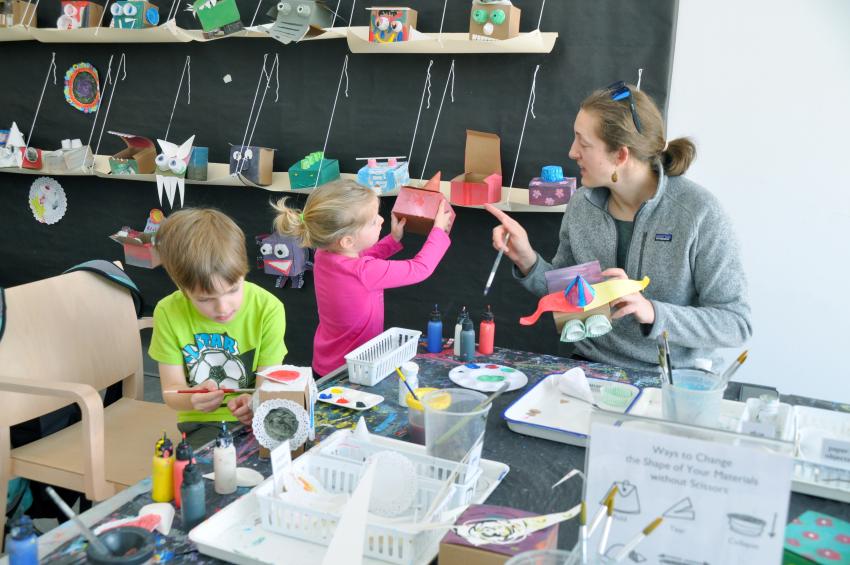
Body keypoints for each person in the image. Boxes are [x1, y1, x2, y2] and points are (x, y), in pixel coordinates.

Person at [486, 82, 751, 371]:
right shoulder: (582, 205)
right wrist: (528, 260)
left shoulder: (698, 214)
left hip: (670, 376)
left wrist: (652, 311)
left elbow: (735, 323)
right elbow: (569, 295)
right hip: (589, 365)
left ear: (620, 155)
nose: (572, 152)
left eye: (583, 143)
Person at [273, 179, 452, 377]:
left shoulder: (324, 254)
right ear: (347, 240)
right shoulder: (363, 272)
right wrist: (438, 231)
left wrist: (392, 240)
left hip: (326, 364)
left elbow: (359, 258)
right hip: (354, 371)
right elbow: (420, 268)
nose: (382, 220)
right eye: (374, 220)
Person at [149, 208, 287, 446]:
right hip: (203, 424)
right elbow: (171, 392)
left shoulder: (268, 308)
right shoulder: (168, 312)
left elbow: (269, 383)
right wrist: (192, 400)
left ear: (244, 272)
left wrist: (254, 403)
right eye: (205, 299)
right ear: (182, 287)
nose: (223, 308)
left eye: (233, 289)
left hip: (260, 418)